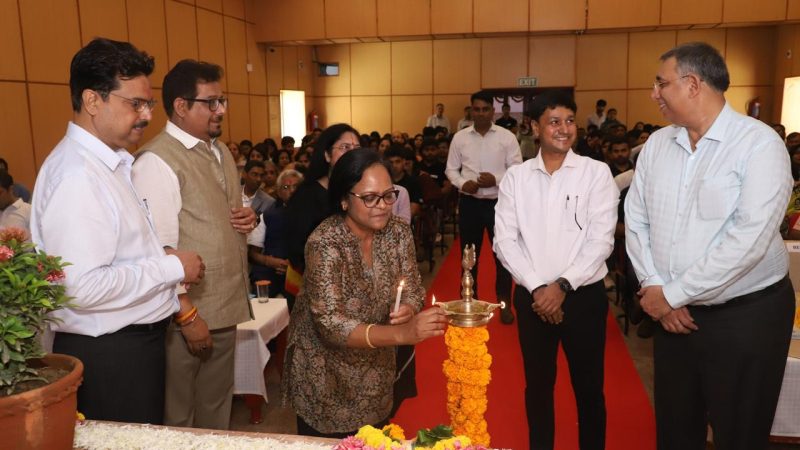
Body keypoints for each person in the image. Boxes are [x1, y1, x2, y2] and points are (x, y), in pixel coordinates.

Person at [625, 42, 795, 450]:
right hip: (671, 316)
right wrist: (655, 286)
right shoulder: (657, 145)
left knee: (740, 432)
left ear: (693, 84)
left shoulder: (758, 145)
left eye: (661, 83)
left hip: (744, 317)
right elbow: (636, 219)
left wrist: (671, 295)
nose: (653, 93)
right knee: (676, 429)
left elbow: (749, 240)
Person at [29, 38, 204, 424]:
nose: (146, 115)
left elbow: (117, 254)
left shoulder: (109, 164)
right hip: (110, 354)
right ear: (93, 101)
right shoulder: (78, 176)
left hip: (129, 347)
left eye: (149, 104)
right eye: (135, 104)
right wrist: (171, 268)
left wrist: (160, 258)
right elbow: (81, 287)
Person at [282, 148, 447, 438]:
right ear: (344, 200)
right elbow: (331, 325)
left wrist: (408, 307)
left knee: (374, 438)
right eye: (369, 198)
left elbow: (413, 286)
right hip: (324, 373)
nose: (382, 206)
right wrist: (401, 333)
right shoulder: (325, 243)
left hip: (376, 367)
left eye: (388, 195)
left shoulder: (398, 232)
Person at [132, 59, 256, 430]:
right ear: (181, 106)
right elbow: (157, 248)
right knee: (180, 415)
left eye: (222, 101)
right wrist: (186, 314)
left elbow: (219, 214)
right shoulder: (156, 161)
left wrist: (248, 219)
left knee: (215, 409)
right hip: (187, 314)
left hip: (224, 304)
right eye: (210, 102)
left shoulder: (219, 151)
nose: (220, 110)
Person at [494, 91, 618, 450]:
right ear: (535, 128)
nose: (564, 129)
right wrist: (538, 288)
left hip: (583, 298)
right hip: (533, 300)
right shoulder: (516, 178)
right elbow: (504, 241)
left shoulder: (596, 173)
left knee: (589, 388)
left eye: (569, 121)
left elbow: (601, 240)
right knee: (538, 387)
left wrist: (562, 285)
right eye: (554, 122)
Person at [446, 90, 521, 324]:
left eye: (485, 109)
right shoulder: (460, 138)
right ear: (471, 111)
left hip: (499, 204)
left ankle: (504, 304)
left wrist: (496, 180)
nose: (480, 113)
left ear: (493, 111)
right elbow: (451, 169)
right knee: (469, 256)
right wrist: (462, 183)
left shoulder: (507, 137)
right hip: (470, 203)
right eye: (476, 109)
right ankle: (471, 301)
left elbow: (517, 170)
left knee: (503, 256)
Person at [248, 169, 302, 299]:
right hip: (270, 270)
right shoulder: (268, 215)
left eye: (296, 186)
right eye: (286, 187)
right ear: (278, 192)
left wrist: (294, 266)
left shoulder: (314, 215)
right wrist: (269, 261)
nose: (292, 191)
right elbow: (252, 254)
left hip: (301, 272)